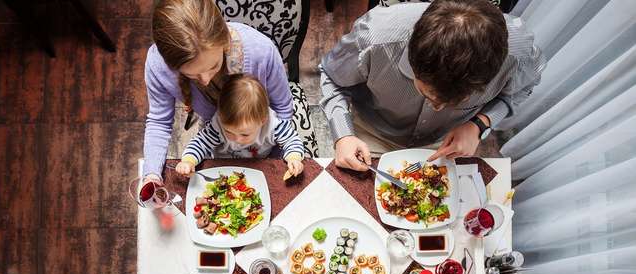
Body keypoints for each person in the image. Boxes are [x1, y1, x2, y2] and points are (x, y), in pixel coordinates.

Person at [320, 0, 546, 172]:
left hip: (446, 143)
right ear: (413, 60)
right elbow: (331, 77)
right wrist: (343, 135)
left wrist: (479, 124)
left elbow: (521, 90)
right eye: (426, 93)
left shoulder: (519, 54)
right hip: (373, 132)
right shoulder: (375, 37)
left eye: (457, 102)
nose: (437, 108)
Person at [143, 0, 295, 181]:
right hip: (217, 139)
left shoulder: (261, 51)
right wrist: (151, 175)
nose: (205, 80)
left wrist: (273, 166)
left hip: (263, 141)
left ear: (224, 41)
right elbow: (159, 123)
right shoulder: (158, 66)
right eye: (192, 75)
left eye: (214, 66)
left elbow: (283, 109)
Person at [176, 74, 305, 179]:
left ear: (263, 120)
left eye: (245, 134)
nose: (237, 139)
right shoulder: (218, 124)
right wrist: (188, 161)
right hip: (222, 168)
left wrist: (294, 158)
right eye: (229, 131)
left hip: (258, 167)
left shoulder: (272, 125)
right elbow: (200, 143)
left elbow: (292, 140)